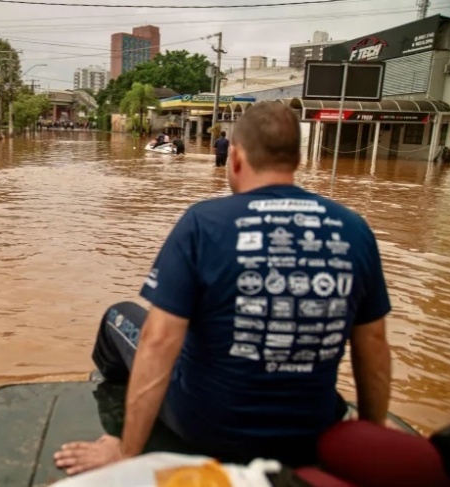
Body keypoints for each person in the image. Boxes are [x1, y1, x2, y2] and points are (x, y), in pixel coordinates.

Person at [54, 102, 392, 474]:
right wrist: (373, 442)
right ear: (297, 161)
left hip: (209, 429)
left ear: (234, 158)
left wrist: (127, 453)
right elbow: (373, 345)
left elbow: (158, 341)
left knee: (118, 316)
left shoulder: (204, 222)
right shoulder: (355, 228)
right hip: (311, 433)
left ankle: (112, 397)